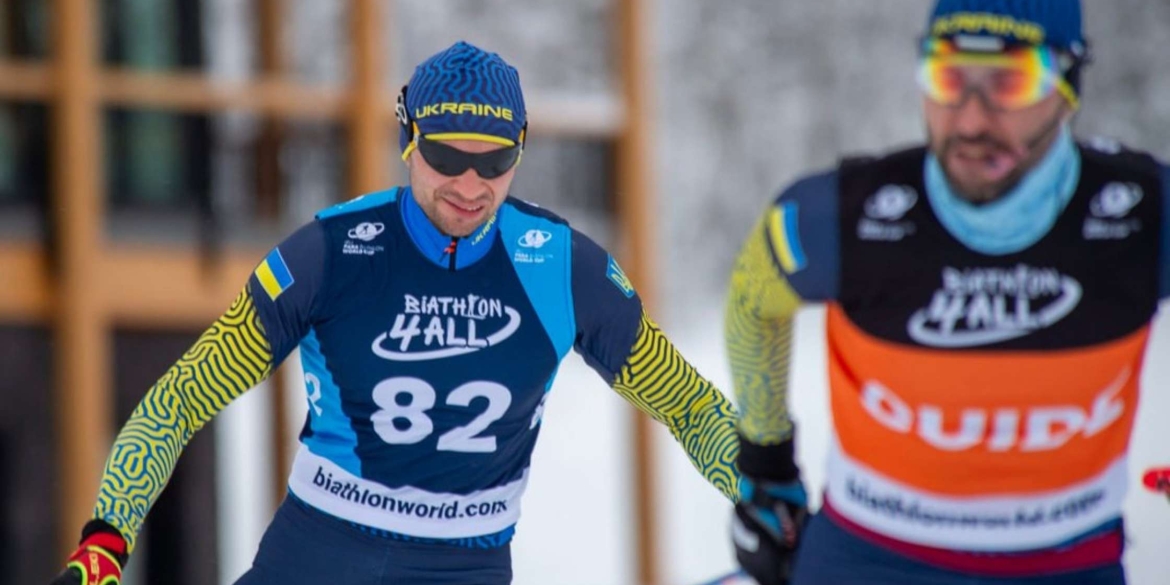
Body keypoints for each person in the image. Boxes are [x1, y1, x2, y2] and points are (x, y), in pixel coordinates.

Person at [51, 41, 740, 585]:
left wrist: (771, 496)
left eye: (495, 162)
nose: (470, 185)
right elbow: (179, 400)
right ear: (409, 139)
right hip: (319, 554)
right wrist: (107, 539)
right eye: (446, 156)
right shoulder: (332, 252)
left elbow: (689, 404)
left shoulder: (560, 267)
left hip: (464, 564)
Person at [726, 1, 1170, 584]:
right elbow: (754, 299)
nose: (971, 120)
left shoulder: (1144, 216)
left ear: (1068, 86)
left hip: (1066, 564)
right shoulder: (839, 216)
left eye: (1010, 82)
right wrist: (766, 464)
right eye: (948, 78)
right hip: (865, 560)